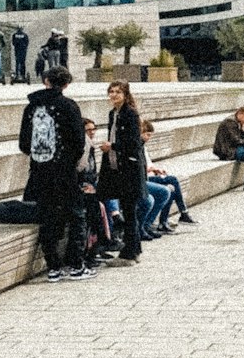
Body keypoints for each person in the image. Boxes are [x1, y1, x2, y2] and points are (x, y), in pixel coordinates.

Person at [18, 67, 91, 282]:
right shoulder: (68, 106)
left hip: (40, 171)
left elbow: (24, 144)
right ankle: (76, 266)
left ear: (45, 81)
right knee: (76, 214)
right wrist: (69, 160)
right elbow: (79, 142)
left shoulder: (31, 108)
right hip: (64, 170)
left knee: (47, 216)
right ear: (66, 84)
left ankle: (53, 268)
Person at [98, 80, 145, 263]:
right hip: (116, 168)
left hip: (129, 170)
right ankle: (135, 249)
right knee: (127, 209)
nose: (114, 95)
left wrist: (113, 146)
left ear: (125, 94)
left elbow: (134, 143)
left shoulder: (130, 114)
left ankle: (129, 253)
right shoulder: (113, 114)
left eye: (118, 92)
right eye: (111, 91)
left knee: (129, 210)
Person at [139, 120, 194, 228]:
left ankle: (163, 222)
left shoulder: (143, 146)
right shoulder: (136, 146)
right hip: (143, 178)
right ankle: (183, 212)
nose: (149, 138)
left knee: (172, 187)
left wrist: (154, 169)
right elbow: (137, 168)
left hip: (148, 175)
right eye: (147, 135)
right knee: (171, 182)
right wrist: (152, 169)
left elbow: (145, 164)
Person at [79, 117, 114, 266]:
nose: (92, 132)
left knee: (107, 197)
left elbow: (92, 173)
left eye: (94, 129)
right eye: (88, 130)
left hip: (89, 186)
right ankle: (97, 246)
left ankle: (100, 244)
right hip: (79, 188)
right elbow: (78, 172)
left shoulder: (90, 146)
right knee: (95, 206)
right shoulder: (82, 146)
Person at [213, 105, 244, 190]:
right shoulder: (230, 122)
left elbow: (241, 139)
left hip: (233, 148)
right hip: (226, 151)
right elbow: (235, 140)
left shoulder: (237, 122)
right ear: (240, 114)